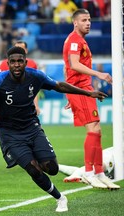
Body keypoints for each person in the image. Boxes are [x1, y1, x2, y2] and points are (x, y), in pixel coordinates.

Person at [0, 46, 108, 212]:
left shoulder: (36, 76)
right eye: (13, 61)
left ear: (25, 62)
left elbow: (59, 85)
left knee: (51, 168)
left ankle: (43, 162)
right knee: (32, 169)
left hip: (32, 128)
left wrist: (88, 93)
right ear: (8, 63)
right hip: (9, 133)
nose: (17, 65)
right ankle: (60, 198)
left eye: (20, 61)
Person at [63, 8, 119, 189]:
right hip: (80, 90)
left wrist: (66, 91)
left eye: (89, 20)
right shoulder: (74, 40)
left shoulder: (80, 40)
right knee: (93, 130)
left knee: (98, 130)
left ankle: (99, 172)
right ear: (75, 22)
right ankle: (89, 173)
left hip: (83, 89)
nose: (88, 23)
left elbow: (67, 68)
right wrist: (99, 74)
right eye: (84, 20)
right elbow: (73, 64)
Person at [0, 41, 40, 170]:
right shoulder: (3, 64)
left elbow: (34, 87)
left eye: (21, 49)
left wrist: (36, 104)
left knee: (30, 129)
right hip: (3, 103)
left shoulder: (32, 65)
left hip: (24, 104)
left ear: (26, 52)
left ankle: (32, 158)